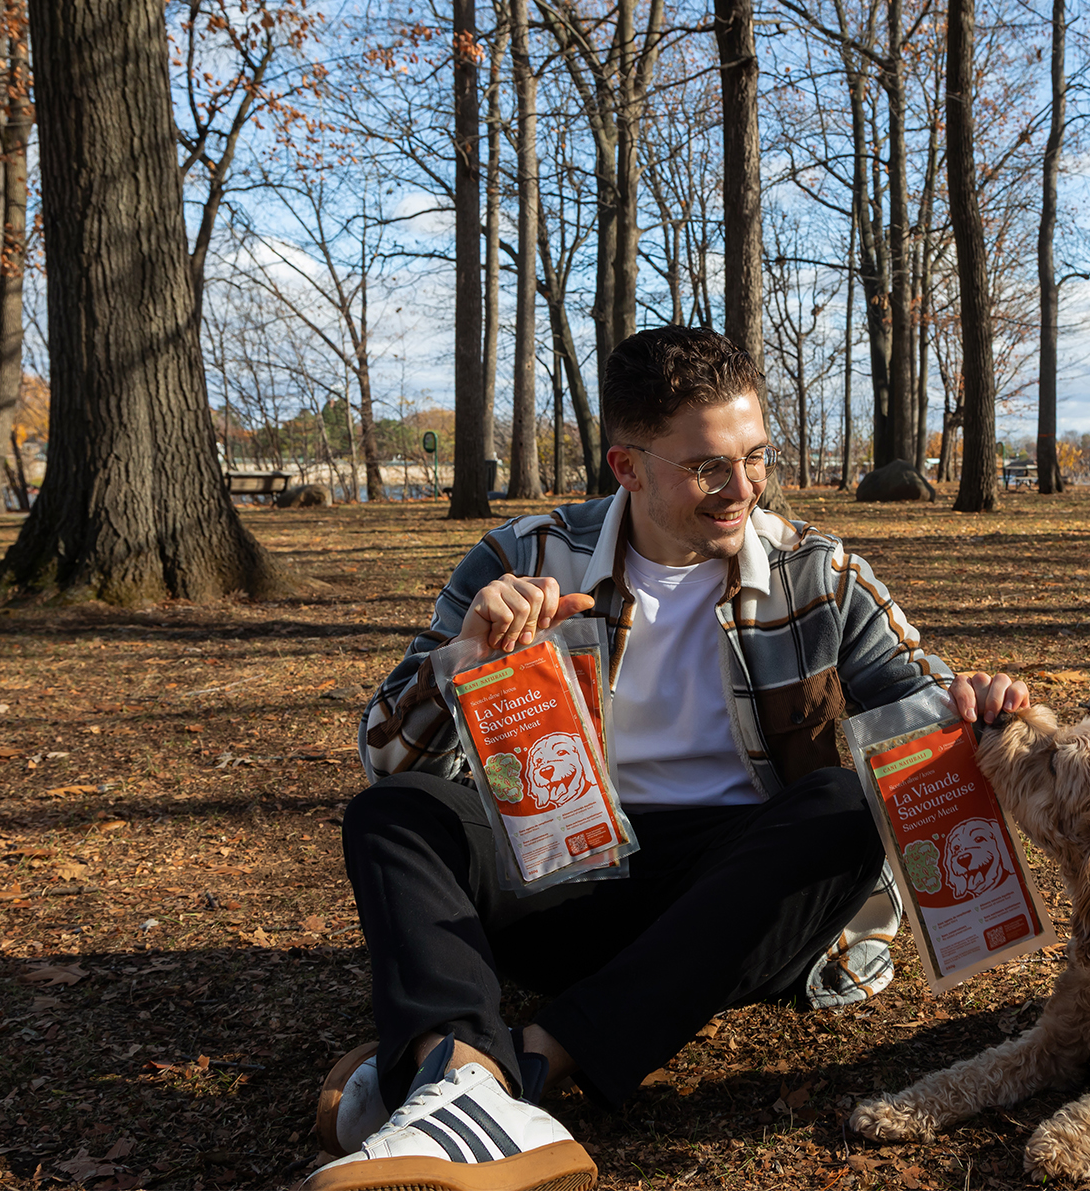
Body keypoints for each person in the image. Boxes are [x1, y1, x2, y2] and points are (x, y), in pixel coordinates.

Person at [305, 326, 1028, 1191]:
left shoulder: (821, 575)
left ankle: (505, 1070)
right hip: (561, 878)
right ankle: (469, 1077)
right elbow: (387, 758)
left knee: (842, 808)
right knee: (397, 815)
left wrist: (981, 712)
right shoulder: (520, 558)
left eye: (756, 457)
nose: (741, 490)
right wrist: (455, 665)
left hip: (736, 902)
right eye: (708, 468)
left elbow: (921, 709)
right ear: (627, 467)